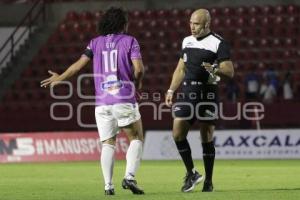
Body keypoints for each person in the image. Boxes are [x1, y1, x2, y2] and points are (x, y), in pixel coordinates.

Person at [41, 7, 145, 195]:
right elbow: (138, 69)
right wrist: (136, 85)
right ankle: (129, 177)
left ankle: (108, 186)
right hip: (123, 97)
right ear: (123, 23)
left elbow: (77, 66)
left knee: (108, 143)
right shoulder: (130, 41)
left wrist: (60, 77)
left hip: (102, 102)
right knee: (136, 138)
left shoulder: (94, 43)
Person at [165, 9, 234, 192]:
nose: (192, 27)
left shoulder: (219, 43)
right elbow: (181, 69)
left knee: (206, 137)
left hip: (208, 92)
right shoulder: (186, 41)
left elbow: (229, 72)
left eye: (196, 24)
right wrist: (172, 89)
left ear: (206, 25)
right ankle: (192, 172)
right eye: (191, 23)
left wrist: (214, 68)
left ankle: (208, 181)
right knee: (178, 133)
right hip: (188, 91)